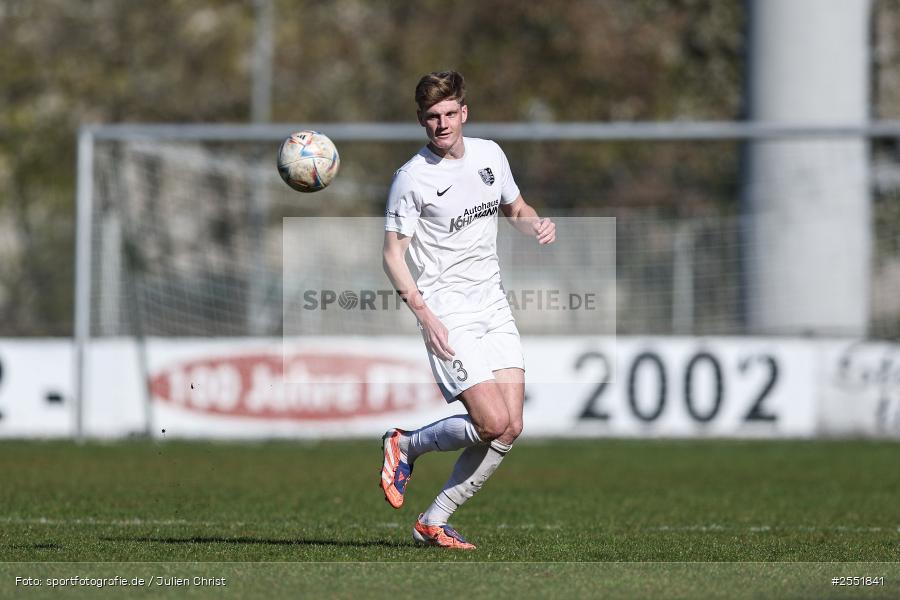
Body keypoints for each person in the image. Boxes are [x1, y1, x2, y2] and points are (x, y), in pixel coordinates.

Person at [380, 70, 556, 550]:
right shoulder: (411, 179)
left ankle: (432, 522)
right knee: (490, 423)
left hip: (493, 305)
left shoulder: (490, 155)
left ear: (464, 112)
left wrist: (535, 223)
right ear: (421, 120)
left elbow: (515, 209)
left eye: (450, 113)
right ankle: (405, 444)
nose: (442, 124)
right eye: (432, 117)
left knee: (510, 427)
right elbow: (393, 256)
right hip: (447, 312)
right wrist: (424, 314)